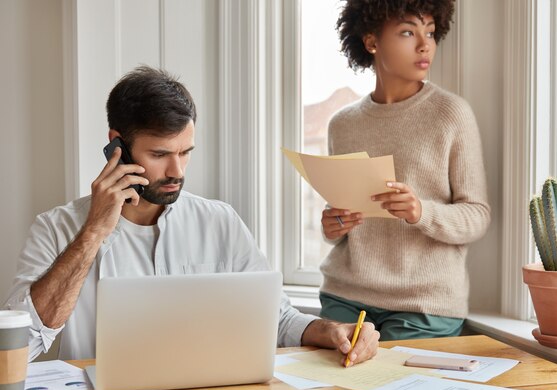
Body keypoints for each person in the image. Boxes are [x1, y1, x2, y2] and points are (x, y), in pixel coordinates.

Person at [3, 66, 379, 364]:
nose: (177, 171)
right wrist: (92, 234)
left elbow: (276, 319)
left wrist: (331, 331)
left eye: (185, 152)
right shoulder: (55, 228)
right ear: (116, 143)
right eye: (160, 154)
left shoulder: (220, 222)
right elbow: (22, 346)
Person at [319, 0, 490, 340]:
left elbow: (477, 215)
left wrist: (420, 212)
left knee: (391, 388)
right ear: (371, 41)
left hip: (424, 304)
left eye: (430, 32)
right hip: (346, 296)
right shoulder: (343, 124)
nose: (425, 44)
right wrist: (332, 224)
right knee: (328, 383)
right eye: (408, 32)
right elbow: (341, 217)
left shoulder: (451, 114)